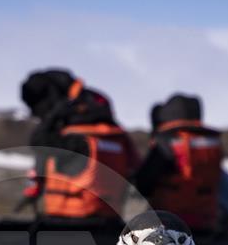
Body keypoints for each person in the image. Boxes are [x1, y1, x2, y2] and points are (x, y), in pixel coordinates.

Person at [20, 69, 139, 219]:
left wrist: (52, 117)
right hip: (109, 221)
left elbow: (38, 142)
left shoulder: (72, 139)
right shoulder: (118, 137)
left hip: (69, 220)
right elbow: (138, 171)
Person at [135, 93, 228, 231]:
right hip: (206, 226)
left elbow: (143, 184)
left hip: (168, 225)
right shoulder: (211, 144)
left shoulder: (165, 142)